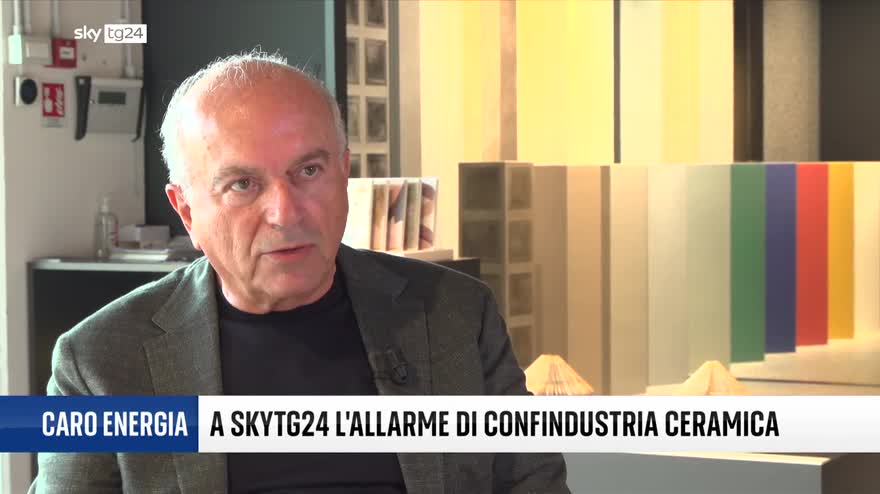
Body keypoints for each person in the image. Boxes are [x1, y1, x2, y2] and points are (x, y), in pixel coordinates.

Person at [30, 51, 570, 493]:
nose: (285, 213)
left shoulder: (455, 315)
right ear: (186, 211)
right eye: (242, 185)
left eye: (308, 171)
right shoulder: (102, 362)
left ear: (344, 173)